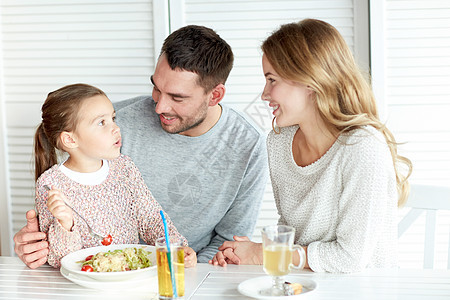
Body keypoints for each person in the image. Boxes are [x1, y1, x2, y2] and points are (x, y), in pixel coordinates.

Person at [14, 25, 268, 267]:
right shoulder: (117, 123)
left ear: (215, 95)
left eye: (177, 97)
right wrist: (38, 243)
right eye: (156, 89)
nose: (159, 107)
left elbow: (229, 243)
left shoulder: (248, 145)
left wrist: (180, 269)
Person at [209, 19, 413, 273]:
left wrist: (265, 253)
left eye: (272, 80)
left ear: (309, 81)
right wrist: (244, 253)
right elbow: (294, 234)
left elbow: (350, 258)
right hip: (308, 284)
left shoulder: (362, 147)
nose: (263, 94)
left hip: (363, 289)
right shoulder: (279, 141)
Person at [33, 83, 196, 268]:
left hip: (130, 276)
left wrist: (175, 246)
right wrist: (65, 225)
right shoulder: (50, 185)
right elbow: (58, 260)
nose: (116, 128)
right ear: (70, 139)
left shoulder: (124, 168)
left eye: (113, 118)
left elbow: (150, 217)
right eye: (102, 123)